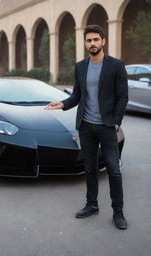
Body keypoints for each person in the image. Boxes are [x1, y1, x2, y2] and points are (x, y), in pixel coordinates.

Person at [45, 24, 128, 230]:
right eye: (89, 40)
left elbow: (122, 96)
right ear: (85, 43)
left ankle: (118, 211)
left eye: (96, 40)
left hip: (108, 127)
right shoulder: (80, 66)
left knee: (113, 170)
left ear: (103, 41)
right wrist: (63, 103)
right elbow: (77, 95)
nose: (93, 43)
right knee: (89, 169)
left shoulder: (116, 65)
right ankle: (92, 205)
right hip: (86, 126)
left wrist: (117, 121)